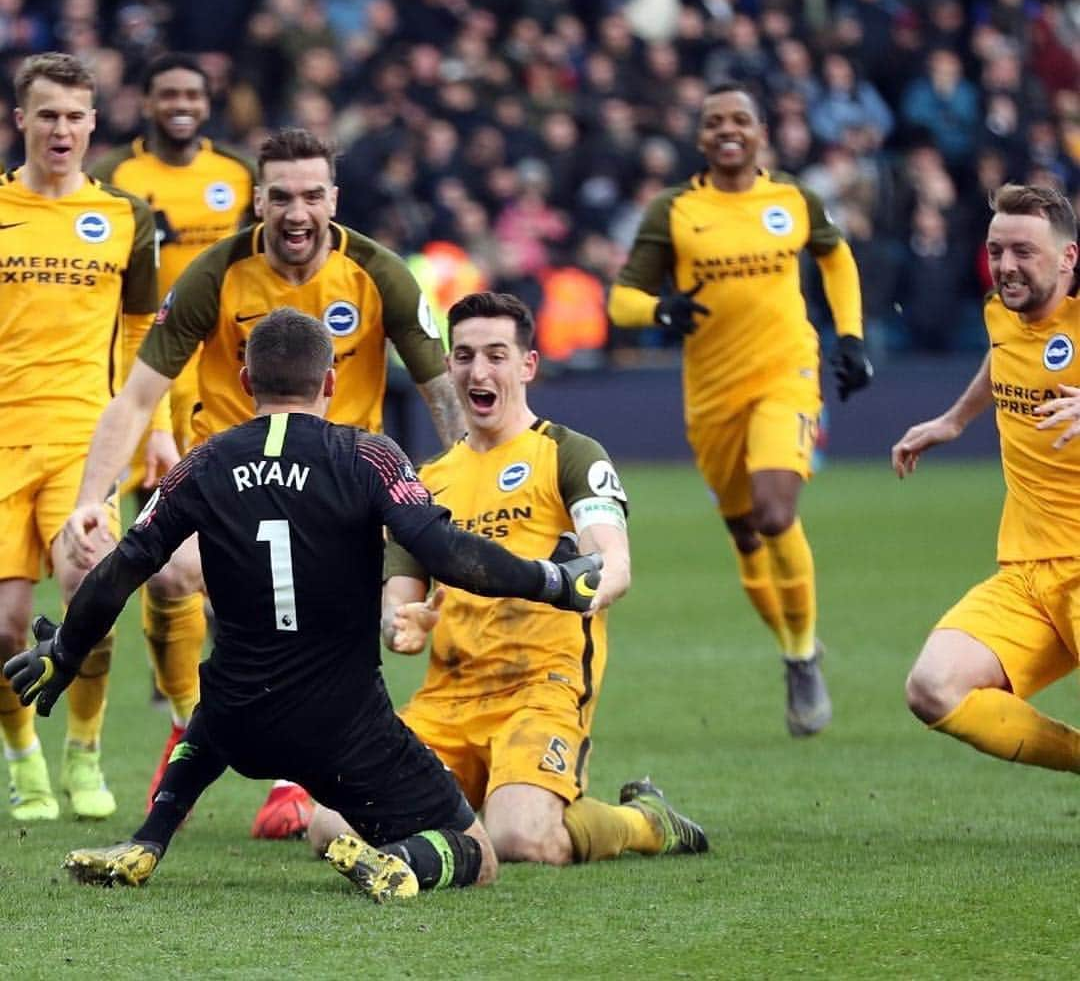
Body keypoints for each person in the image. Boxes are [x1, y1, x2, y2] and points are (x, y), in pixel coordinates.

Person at [3, 307, 602, 900]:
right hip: (341, 730)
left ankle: (149, 840)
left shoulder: (202, 464)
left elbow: (123, 566)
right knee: (476, 849)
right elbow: (443, 551)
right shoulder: (371, 458)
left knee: (222, 699)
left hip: (240, 723)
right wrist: (550, 579)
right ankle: (400, 862)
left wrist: (67, 649)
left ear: (245, 384)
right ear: (331, 381)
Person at [62, 126, 467, 838]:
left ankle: (291, 775)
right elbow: (133, 397)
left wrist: (476, 488)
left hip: (341, 490)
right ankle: (192, 721)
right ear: (259, 201)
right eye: (281, 196)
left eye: (313, 195)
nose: (297, 212)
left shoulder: (379, 273)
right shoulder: (215, 275)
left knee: (365, 621)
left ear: (334, 199)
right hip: (228, 488)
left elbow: (441, 393)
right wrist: (91, 500)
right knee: (164, 577)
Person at [309, 291, 708, 866]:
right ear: (448, 367)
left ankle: (643, 823)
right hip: (448, 697)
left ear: (527, 365)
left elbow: (613, 564)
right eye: (465, 356)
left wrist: (583, 584)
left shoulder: (569, 454)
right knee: (328, 823)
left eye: (497, 355)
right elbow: (398, 605)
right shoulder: (427, 480)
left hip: (540, 687)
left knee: (521, 838)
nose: (479, 370)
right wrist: (407, 623)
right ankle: (469, 803)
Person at [607, 80, 873, 736]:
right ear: (700, 138)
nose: (729, 129)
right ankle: (792, 647)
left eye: (741, 119)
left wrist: (852, 335)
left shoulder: (793, 198)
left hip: (788, 373)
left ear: (761, 133)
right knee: (746, 533)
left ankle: (804, 654)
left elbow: (835, 258)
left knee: (776, 511)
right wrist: (660, 309)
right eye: (715, 121)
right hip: (711, 393)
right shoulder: (674, 210)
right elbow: (621, 301)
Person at [0, 51, 161, 821]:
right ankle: (24, 755)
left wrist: (154, 427)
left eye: (75, 115)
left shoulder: (126, 217)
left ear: (94, 123)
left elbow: (142, 336)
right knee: (3, 623)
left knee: (91, 585)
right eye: (48, 114)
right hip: (2, 438)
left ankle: (85, 751)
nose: (61, 128)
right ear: (20, 118)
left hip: (83, 438)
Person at [91, 51, 257, 769]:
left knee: (227, 529)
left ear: (206, 101)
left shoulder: (236, 176)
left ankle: (202, 677)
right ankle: (181, 691)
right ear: (147, 103)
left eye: (192, 93)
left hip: (224, 369)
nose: (181, 104)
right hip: (150, 369)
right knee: (160, 535)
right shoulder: (121, 182)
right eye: (168, 94)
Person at [893, 184, 1080, 775]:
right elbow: (1003, 354)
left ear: (1068, 257)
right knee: (933, 688)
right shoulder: (1002, 309)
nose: (1006, 266)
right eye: (997, 250)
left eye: (1024, 251)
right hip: (1027, 574)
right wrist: (954, 419)